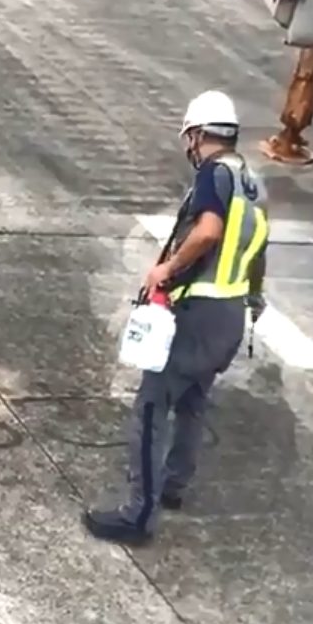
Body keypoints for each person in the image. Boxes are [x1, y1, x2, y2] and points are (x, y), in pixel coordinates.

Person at [83, 90, 270, 546]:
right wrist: (254, 295)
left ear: (199, 135)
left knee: (151, 406)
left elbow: (209, 231)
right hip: (229, 315)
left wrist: (166, 268)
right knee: (192, 402)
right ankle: (172, 486)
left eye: (190, 137)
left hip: (198, 311)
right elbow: (258, 249)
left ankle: (138, 515)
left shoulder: (212, 175)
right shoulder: (253, 183)